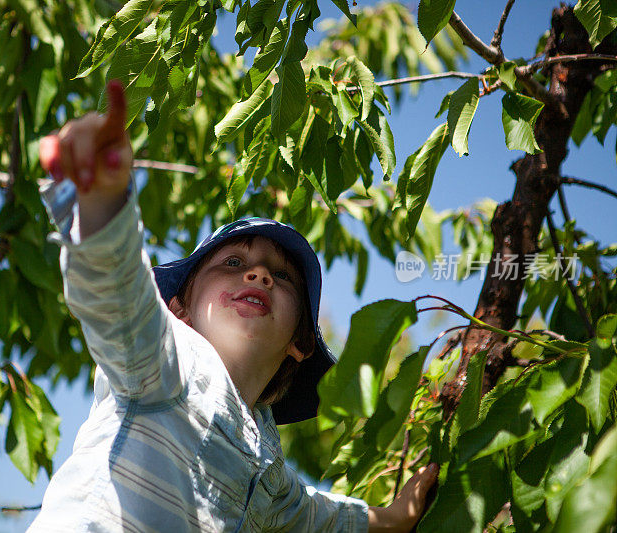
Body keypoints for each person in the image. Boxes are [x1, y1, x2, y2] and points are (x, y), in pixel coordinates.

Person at [26, 80, 437, 532]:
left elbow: (323, 520)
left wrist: (393, 519)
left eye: (280, 276)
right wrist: (102, 206)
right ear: (178, 308)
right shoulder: (166, 361)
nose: (258, 275)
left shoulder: (271, 472)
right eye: (234, 262)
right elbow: (118, 296)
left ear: (299, 342)